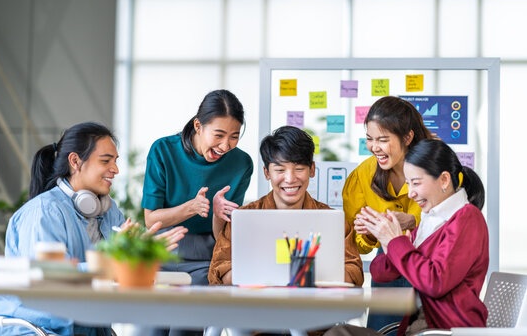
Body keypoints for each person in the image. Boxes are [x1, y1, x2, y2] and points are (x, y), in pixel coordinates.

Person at [0, 122, 187, 336]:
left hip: (87, 328)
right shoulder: (44, 212)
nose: (116, 169)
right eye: (106, 161)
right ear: (75, 161)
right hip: (39, 329)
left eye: (115, 161)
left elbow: (121, 273)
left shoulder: (109, 211)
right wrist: (113, 263)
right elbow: (51, 280)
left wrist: (139, 253)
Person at [325, 139, 488, 336]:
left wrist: (396, 241)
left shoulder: (467, 218)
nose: (410, 193)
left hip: (442, 331)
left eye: (416, 183)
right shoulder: (430, 220)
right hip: (416, 329)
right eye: (408, 183)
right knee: (339, 332)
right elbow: (380, 273)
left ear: (444, 180)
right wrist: (384, 238)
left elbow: (435, 283)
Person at [209, 125, 363, 286]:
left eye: (298, 168)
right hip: (259, 307)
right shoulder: (243, 218)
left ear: (312, 170)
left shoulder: (333, 221)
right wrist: (272, 274)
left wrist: (303, 274)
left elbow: (355, 273)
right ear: (267, 173)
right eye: (280, 170)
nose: (290, 179)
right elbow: (219, 271)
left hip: (315, 307)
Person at [142, 89, 253, 286]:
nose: (226, 145)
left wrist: (217, 215)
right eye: (219, 135)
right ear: (198, 126)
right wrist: (191, 208)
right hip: (162, 251)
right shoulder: (162, 150)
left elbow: (224, 236)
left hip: (208, 257)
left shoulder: (241, 163)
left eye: (234, 136)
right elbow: (151, 219)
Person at [342, 96, 432, 331]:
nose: (374, 147)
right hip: (388, 268)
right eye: (370, 139)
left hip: (432, 268)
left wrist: (411, 221)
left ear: (407, 137)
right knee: (383, 332)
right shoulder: (363, 175)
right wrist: (370, 234)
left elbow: (453, 220)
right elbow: (359, 246)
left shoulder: (435, 168)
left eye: (383, 140)